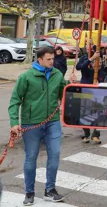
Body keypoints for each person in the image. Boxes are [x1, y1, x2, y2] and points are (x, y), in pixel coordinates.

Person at [8, 46, 74, 204]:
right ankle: (29, 192)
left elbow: (63, 94)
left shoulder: (57, 74)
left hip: (53, 122)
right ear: (40, 60)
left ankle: (49, 190)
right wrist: (14, 122)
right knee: (31, 158)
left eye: (53, 58)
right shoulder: (26, 77)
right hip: (32, 123)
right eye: (49, 59)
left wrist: (69, 85)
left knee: (55, 154)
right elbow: (15, 101)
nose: (52, 61)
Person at [75, 48, 101, 144]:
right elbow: (79, 67)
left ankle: (96, 134)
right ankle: (86, 134)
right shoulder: (85, 60)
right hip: (85, 89)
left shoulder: (99, 62)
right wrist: (90, 59)